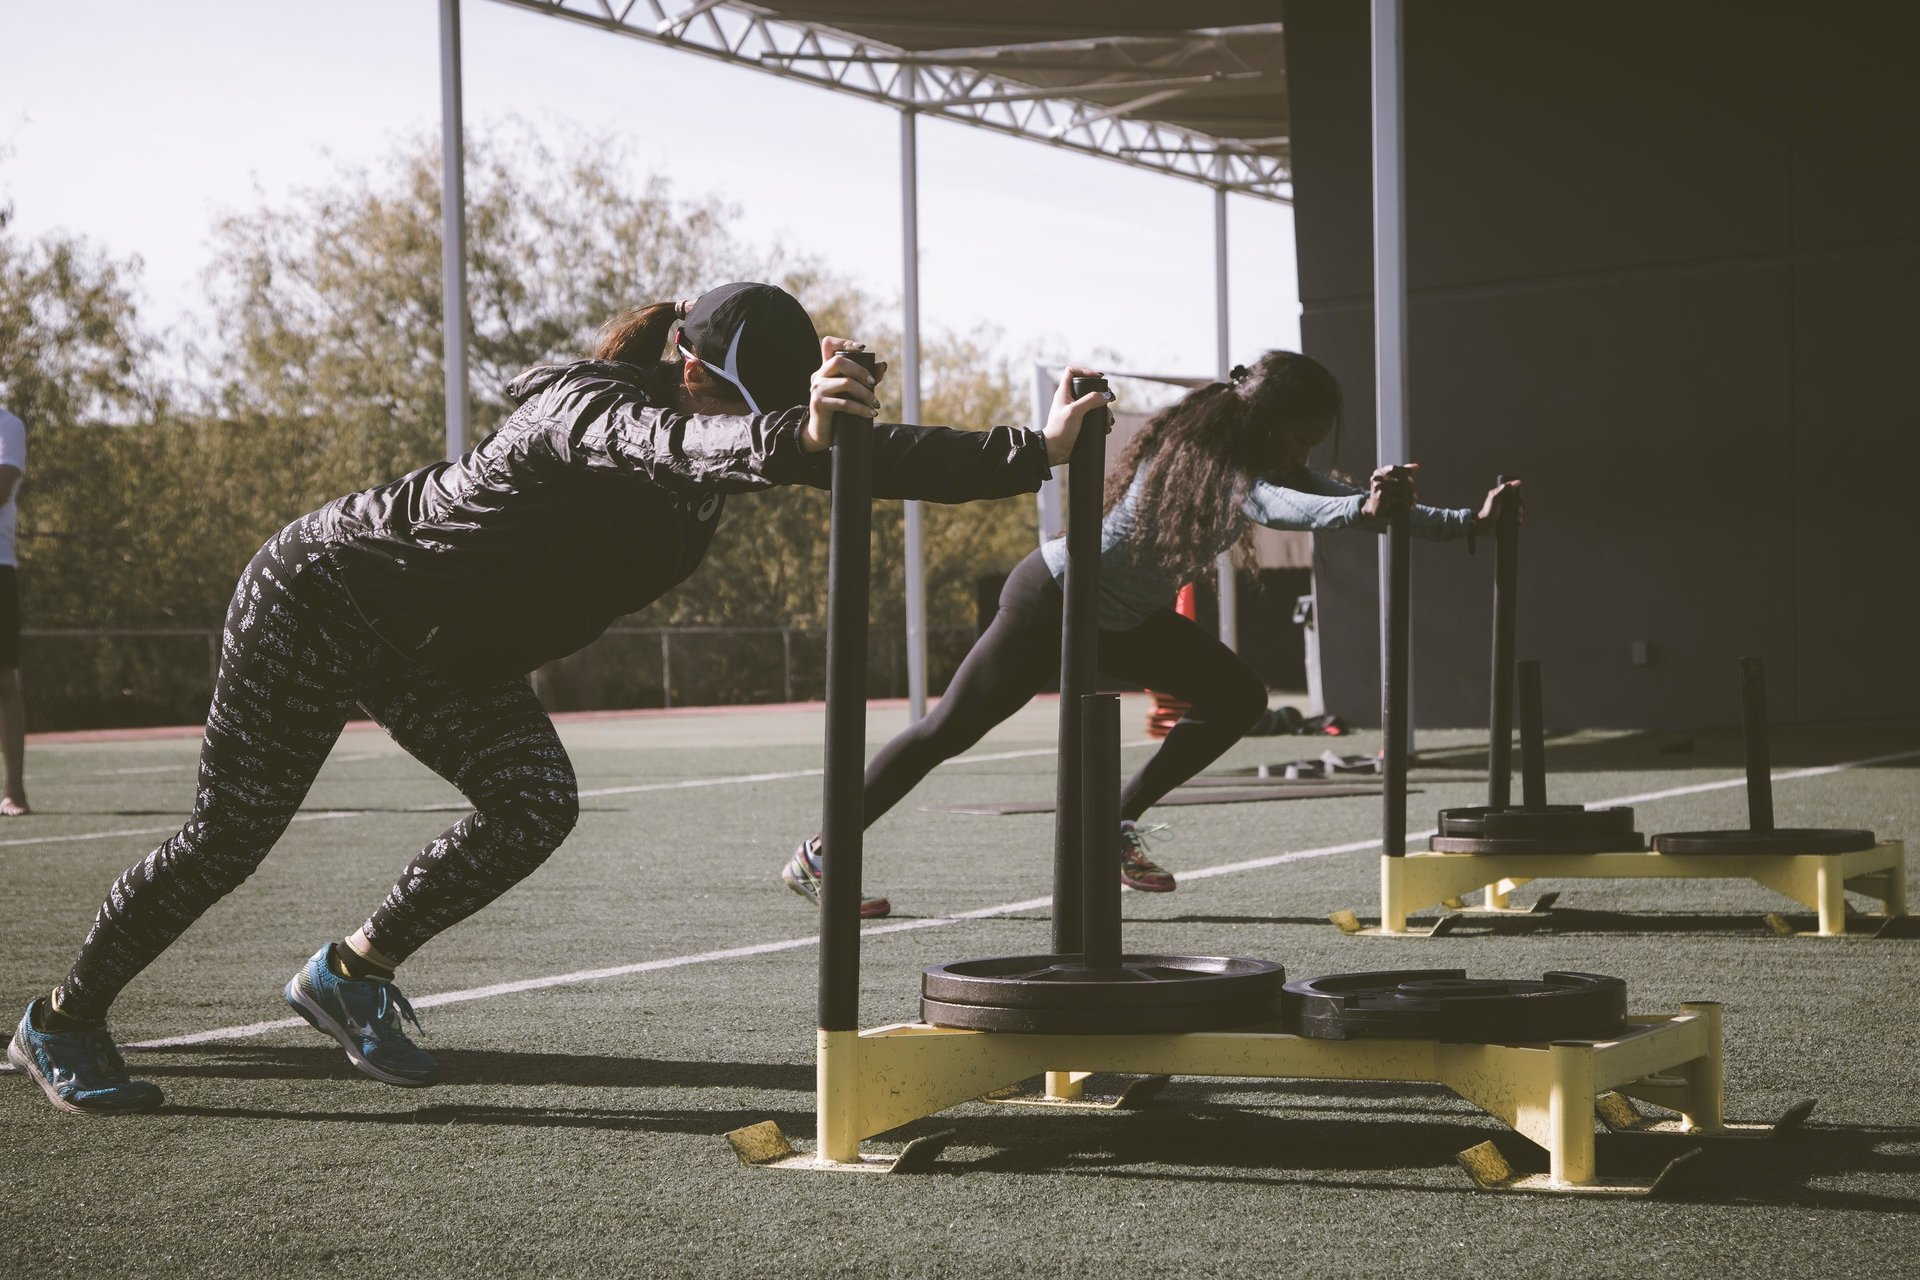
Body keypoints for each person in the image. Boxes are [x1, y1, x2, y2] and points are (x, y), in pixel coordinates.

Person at [7, 281, 1111, 1115]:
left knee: (533, 801)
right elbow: (673, 444)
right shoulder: (585, 408)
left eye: (766, 410)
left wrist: (1038, 451)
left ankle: (350, 972)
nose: (753, 420)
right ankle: (61, 1019)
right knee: (230, 837)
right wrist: (789, 432)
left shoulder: (731, 424)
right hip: (326, 594)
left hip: (443, 652)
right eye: (740, 398)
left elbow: (870, 455)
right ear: (686, 360)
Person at [782, 349, 1519, 917]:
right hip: (1054, 601)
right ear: (1269, 424)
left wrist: (1466, 524)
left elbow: (1337, 495)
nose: (1306, 452)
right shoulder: (1206, 458)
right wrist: (1357, 513)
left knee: (1236, 698)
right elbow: (1284, 506)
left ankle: (1112, 822)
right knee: (945, 732)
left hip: (1124, 620)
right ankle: (819, 854)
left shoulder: (1263, 458)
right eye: (1303, 437)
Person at [0, 404, 28, 815]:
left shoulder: (7, 424)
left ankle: (13, 791)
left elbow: (1, 487)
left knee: (4, 681)